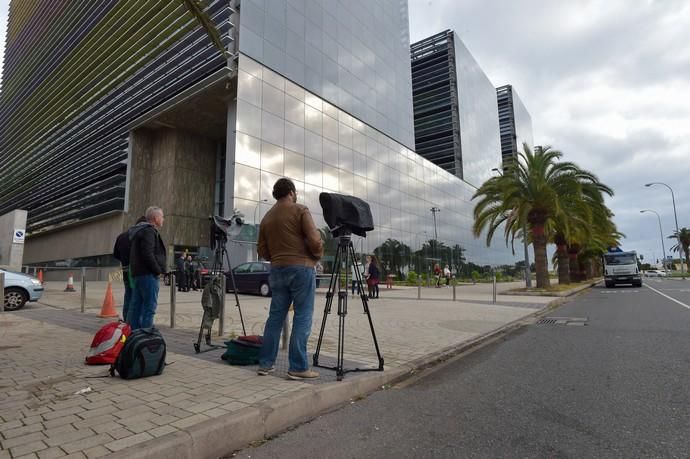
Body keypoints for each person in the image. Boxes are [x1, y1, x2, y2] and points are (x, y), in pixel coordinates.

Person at [257, 178, 324, 380]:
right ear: (292, 192)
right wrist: (318, 252)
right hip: (302, 269)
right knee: (303, 315)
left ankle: (265, 364)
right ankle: (298, 367)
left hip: (277, 269)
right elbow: (314, 240)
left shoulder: (266, 218)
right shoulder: (300, 210)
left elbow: (261, 250)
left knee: (275, 317)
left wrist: (277, 257)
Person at [128, 206, 167, 330]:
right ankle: (146, 336)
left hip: (139, 275)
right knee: (149, 308)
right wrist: (158, 270)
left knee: (136, 307)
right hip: (148, 275)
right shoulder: (149, 231)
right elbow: (148, 253)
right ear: (155, 218)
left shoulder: (139, 231)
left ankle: (133, 336)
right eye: (162, 216)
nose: (163, 219)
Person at [112, 216, 146, 322]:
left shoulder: (121, 237)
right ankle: (134, 320)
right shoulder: (138, 235)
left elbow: (115, 254)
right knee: (137, 295)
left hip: (125, 269)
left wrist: (124, 261)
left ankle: (126, 317)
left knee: (128, 294)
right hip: (137, 270)